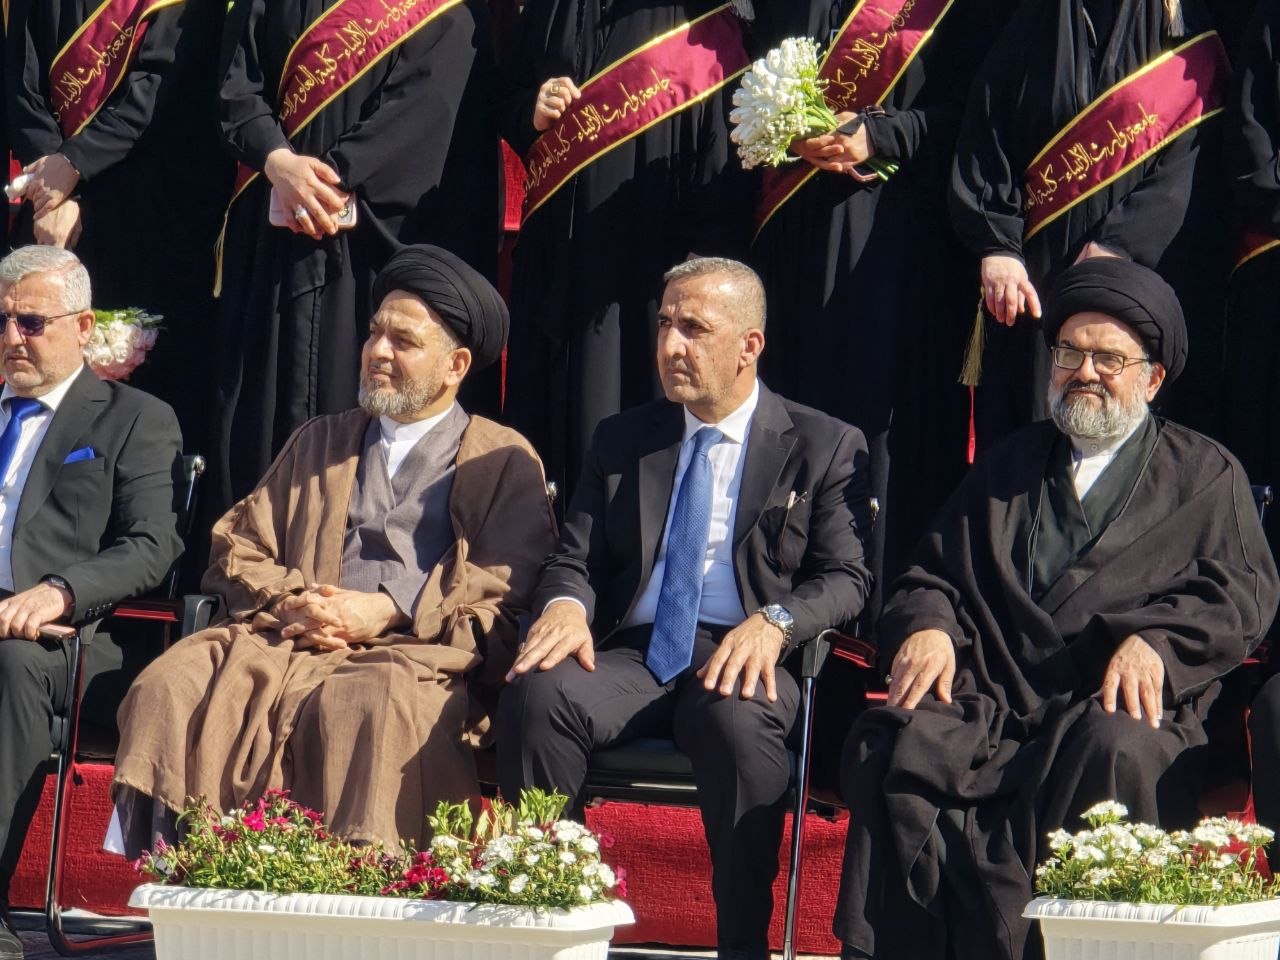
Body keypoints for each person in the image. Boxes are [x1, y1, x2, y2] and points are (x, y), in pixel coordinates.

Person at [832, 257, 1279, 960]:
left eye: (1108, 359)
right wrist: (929, 628)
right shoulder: (1008, 464)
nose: (1084, 372)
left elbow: (1244, 593)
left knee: (1117, 745)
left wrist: (1159, 645)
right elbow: (931, 573)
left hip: (1120, 705)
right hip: (996, 700)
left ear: (1153, 379)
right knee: (898, 738)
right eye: (1070, 353)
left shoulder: (1205, 474)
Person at [111, 246, 556, 855]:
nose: (377, 351)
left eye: (403, 341)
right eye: (374, 333)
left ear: (455, 365)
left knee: (369, 698)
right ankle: (193, 873)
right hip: (288, 637)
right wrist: (297, 602)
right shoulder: (321, 439)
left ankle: (364, 883)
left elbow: (505, 596)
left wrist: (390, 609)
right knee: (171, 683)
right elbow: (240, 546)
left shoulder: (500, 458)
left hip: (416, 656)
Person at [498, 257, 873, 960]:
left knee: (736, 722)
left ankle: (743, 947)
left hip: (745, 652)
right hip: (636, 654)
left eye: (694, 329)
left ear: (749, 345)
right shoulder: (623, 439)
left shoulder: (822, 444)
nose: (671, 344)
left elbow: (847, 578)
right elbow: (575, 557)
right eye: (665, 323)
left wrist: (777, 622)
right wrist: (567, 605)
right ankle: (550, 920)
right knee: (538, 694)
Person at [748, 0, 995, 609]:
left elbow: (986, 116)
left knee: (882, 431)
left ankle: (883, 610)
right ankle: (781, 600)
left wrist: (883, 133)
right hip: (796, 243)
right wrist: (785, 128)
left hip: (903, 247)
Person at [208, 0, 499, 516]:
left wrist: (329, 178)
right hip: (275, 233)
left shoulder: (448, 11)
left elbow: (428, 102)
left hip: (366, 244)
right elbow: (238, 86)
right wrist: (279, 162)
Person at [0, 246, 182, 960]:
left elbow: (152, 544)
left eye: (32, 322)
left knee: (11, 664)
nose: (12, 337)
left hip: (66, 636)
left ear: (82, 327)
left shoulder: (134, 418)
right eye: (3, 320)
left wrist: (61, 591)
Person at [948, 0, 1231, 450]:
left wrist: (1118, 244)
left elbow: (1193, 162)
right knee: (1035, 439)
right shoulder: (1035, 22)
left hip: (1137, 279)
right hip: (1034, 284)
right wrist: (997, 245)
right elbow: (987, 133)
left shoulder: (1181, 29)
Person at [498, 0, 752, 499]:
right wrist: (531, 110)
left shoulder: (700, 17)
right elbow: (503, 98)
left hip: (647, 262)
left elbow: (724, 172)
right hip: (555, 256)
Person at [4, 0, 232, 453]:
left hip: (150, 207)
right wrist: (51, 187)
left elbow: (159, 83)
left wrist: (74, 163)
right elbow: (21, 83)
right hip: (51, 210)